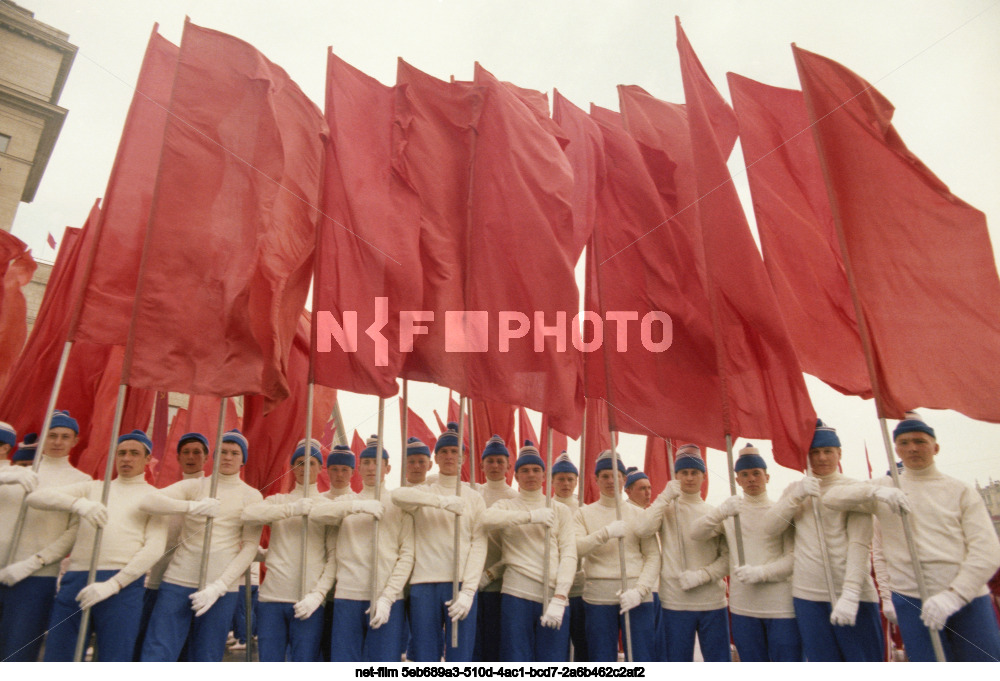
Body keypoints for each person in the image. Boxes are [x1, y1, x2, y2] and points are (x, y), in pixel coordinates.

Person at [823, 413, 1000, 661]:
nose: (912, 448)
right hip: (912, 599)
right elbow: (832, 498)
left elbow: (988, 552)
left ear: (935, 447)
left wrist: (955, 595)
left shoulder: (960, 490)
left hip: (967, 597)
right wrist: (876, 492)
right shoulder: (886, 486)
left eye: (920, 441)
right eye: (904, 443)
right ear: (895, 449)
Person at [25, 429, 167, 660]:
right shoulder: (94, 488)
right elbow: (35, 498)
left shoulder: (153, 497)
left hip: (122, 584)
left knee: (115, 656)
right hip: (77, 577)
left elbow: (155, 548)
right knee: (60, 655)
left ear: (147, 458)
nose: (126, 458)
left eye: (134, 453)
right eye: (121, 453)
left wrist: (114, 584)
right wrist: (78, 504)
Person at [762, 419, 883, 661]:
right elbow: (770, 528)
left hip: (852, 595)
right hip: (808, 596)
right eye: (814, 452)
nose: (822, 458)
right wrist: (797, 495)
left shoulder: (855, 488)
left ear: (839, 453)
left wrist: (850, 594)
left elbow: (859, 544)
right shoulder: (796, 490)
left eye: (828, 451)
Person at [139, 429, 263, 661]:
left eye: (234, 453)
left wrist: (220, 586)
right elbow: (148, 501)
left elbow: (249, 548)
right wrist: (191, 507)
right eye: (223, 451)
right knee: (158, 649)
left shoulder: (251, 495)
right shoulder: (195, 486)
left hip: (220, 587)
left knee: (206, 655)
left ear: (243, 459)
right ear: (214, 456)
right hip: (178, 580)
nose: (227, 457)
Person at [690, 443, 800, 661]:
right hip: (744, 608)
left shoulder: (781, 510)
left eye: (756, 474)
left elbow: (793, 560)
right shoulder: (732, 513)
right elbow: (697, 533)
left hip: (781, 608)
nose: (751, 479)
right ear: (737, 480)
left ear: (767, 477)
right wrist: (720, 512)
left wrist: (761, 573)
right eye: (745, 474)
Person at [311, 436, 414, 661]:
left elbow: (407, 556)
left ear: (388, 468)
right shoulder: (347, 503)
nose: (371, 467)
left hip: (386, 596)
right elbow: (317, 514)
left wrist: (388, 596)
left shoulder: (399, 505)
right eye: (366, 462)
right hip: (348, 594)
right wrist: (357, 506)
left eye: (377, 462)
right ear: (359, 467)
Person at [391, 422, 487, 662]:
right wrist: (440, 502)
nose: (449, 456)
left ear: (463, 458)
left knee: (461, 658)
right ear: (435, 457)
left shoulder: (474, 498)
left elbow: (479, 546)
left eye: (454, 451)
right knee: (425, 657)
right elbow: (398, 496)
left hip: (460, 583)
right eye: (443, 451)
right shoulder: (423, 491)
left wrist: (468, 591)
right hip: (424, 583)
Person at [0, 410, 91, 662]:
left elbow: (73, 533)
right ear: (42, 438)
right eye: (52, 435)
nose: (58, 442)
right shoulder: (21, 470)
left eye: (65, 436)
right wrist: (7, 475)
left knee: (17, 652)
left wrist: (34, 563)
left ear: (75, 440)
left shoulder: (81, 480)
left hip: (35, 578)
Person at [240, 438, 336, 661]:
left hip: (307, 599)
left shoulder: (327, 507)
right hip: (271, 598)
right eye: (300, 462)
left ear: (320, 468)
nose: (305, 468)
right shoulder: (278, 501)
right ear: (293, 467)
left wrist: (318, 595)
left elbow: (334, 558)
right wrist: (292, 509)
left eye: (311, 463)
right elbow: (249, 514)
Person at [480, 442, 577, 662]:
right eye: (524, 470)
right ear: (516, 476)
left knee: (552, 661)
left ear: (544, 476)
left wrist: (561, 596)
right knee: (516, 660)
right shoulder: (507, 505)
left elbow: (569, 555)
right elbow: (486, 519)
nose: (530, 474)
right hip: (516, 595)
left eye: (536, 470)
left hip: (552, 595)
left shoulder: (560, 510)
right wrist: (529, 517)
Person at [634, 444, 731, 662]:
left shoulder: (714, 513)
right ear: (675, 476)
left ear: (703, 476)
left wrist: (703, 575)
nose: (689, 478)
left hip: (712, 602)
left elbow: (727, 558)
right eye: (683, 473)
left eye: (694, 472)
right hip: (675, 602)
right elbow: (642, 529)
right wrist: (664, 497)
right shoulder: (665, 509)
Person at [575, 450, 659, 661]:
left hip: (636, 594)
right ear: (596, 480)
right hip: (598, 595)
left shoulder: (640, 514)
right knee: (601, 658)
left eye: (616, 475)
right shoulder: (584, 513)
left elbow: (653, 556)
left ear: (624, 478)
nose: (611, 480)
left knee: (642, 658)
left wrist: (640, 591)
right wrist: (605, 534)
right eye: (604, 476)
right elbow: (576, 548)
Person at [135, 432, 210, 659]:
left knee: (189, 651)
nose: (191, 457)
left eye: (197, 452)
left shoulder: (212, 493)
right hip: (159, 581)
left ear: (206, 457)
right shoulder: (167, 495)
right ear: (177, 458)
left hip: (196, 581)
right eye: (185, 452)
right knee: (154, 645)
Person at [475, 434, 518, 662]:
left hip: (500, 585)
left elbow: (518, 548)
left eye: (500, 461)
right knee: (472, 648)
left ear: (509, 466)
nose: (494, 465)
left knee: (495, 647)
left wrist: (491, 574)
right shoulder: (474, 494)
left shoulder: (515, 499)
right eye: (489, 460)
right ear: (481, 465)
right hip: (471, 583)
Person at [551, 452, 588, 661]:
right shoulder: (547, 507)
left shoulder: (584, 509)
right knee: (557, 646)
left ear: (576, 481)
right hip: (553, 587)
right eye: (561, 478)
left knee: (583, 644)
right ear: (553, 481)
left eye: (570, 479)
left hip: (580, 589)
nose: (565, 483)